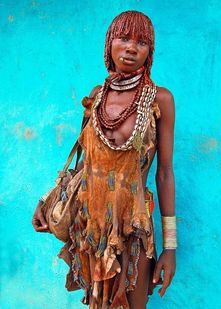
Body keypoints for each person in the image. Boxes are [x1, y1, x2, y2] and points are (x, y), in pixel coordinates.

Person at [32, 10, 177, 309]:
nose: (131, 48)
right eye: (123, 38)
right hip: (91, 230)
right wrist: (48, 200)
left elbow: (164, 173)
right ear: (109, 44)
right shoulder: (97, 97)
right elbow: (84, 166)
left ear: (150, 52)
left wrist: (170, 247)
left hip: (133, 230)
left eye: (141, 42)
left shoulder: (160, 99)